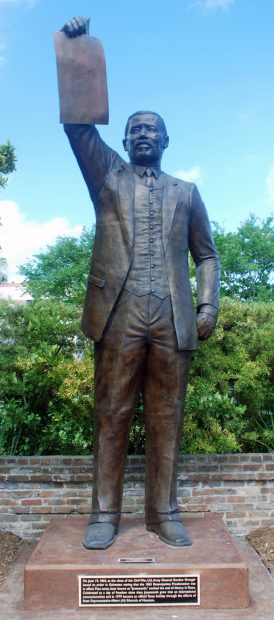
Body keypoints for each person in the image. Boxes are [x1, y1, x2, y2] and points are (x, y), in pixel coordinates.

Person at [60, 16, 220, 550]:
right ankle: (103, 514)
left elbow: (207, 256)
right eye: (136, 129)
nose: (144, 134)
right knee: (110, 412)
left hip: (172, 318)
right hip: (120, 313)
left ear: (167, 140)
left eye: (153, 129)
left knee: (167, 417)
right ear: (126, 140)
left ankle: (163, 512)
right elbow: (79, 127)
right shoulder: (107, 175)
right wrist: (79, 52)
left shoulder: (186, 192)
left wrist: (207, 305)